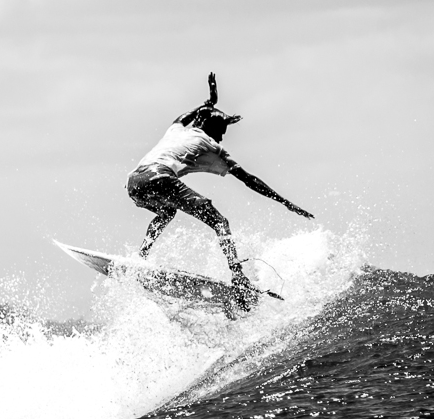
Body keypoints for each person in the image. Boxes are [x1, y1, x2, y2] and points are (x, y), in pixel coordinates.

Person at [126, 73, 314, 307]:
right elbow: (248, 179)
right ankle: (238, 275)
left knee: (167, 213)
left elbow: (189, 115)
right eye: (222, 130)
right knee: (220, 222)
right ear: (212, 127)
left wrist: (210, 103)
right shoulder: (211, 146)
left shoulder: (176, 130)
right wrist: (284, 201)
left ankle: (141, 255)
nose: (223, 136)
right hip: (159, 177)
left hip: (134, 182)